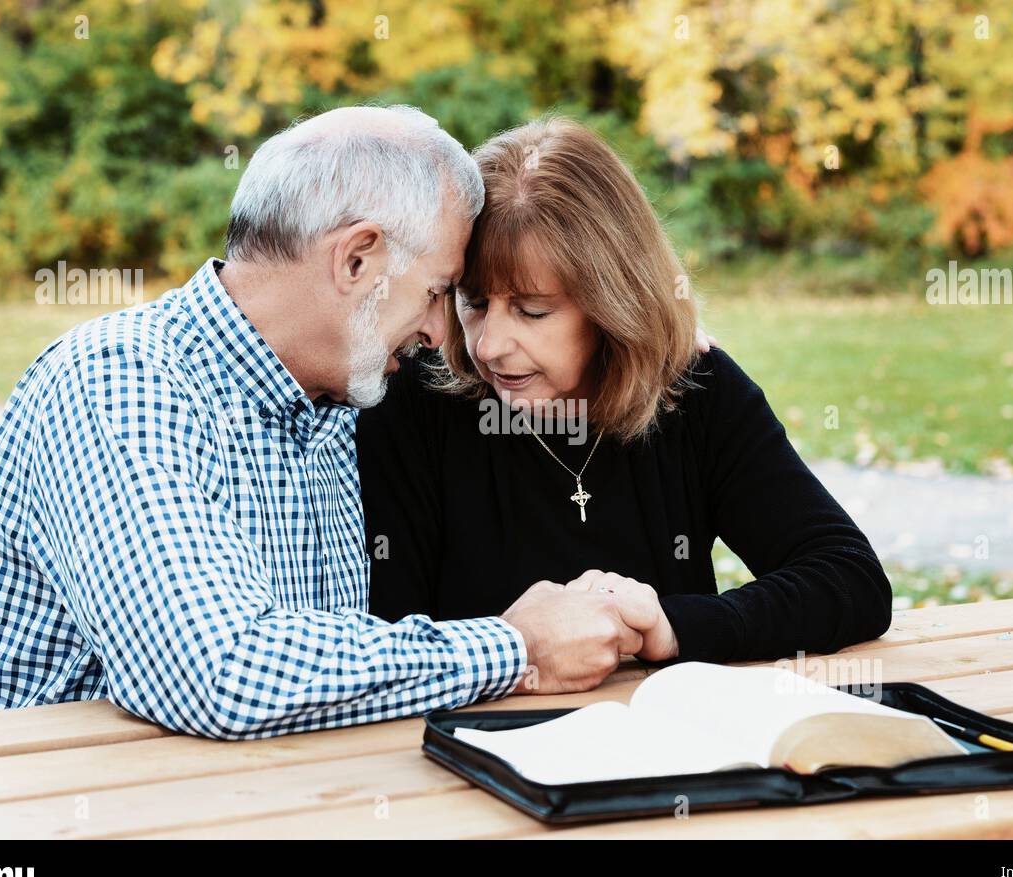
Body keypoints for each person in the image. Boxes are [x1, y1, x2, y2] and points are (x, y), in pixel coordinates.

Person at [0, 105, 665, 739]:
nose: (442, 334)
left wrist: (643, 343)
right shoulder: (118, 383)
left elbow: (528, 357)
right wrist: (513, 646)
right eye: (439, 292)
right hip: (39, 807)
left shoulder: (336, 397)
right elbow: (218, 675)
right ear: (356, 261)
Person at [357, 117, 893, 665]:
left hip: (666, 738)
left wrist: (674, 626)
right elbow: (384, 638)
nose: (489, 345)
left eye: (532, 310)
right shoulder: (413, 403)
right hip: (477, 740)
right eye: (472, 302)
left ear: (612, 303)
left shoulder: (693, 391)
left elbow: (849, 579)